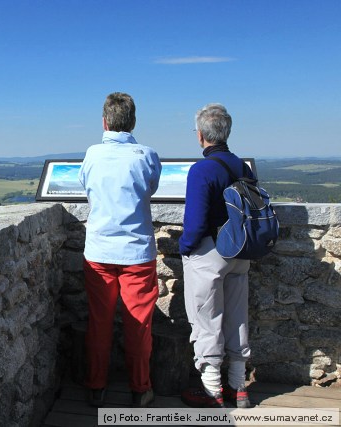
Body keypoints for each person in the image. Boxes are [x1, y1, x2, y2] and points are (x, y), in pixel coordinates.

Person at [78, 92, 162, 408]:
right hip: (137, 252)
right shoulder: (147, 155)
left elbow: (86, 186)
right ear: (133, 121)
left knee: (99, 323)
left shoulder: (91, 154)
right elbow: (150, 188)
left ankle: (96, 386)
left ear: (104, 121)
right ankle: (140, 389)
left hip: (98, 250)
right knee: (138, 325)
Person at [179, 103, 253, 409]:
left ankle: (212, 392)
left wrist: (184, 247)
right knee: (237, 319)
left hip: (210, 253)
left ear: (200, 136)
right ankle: (239, 387)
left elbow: (195, 223)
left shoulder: (202, 170)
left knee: (206, 320)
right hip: (241, 251)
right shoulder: (242, 167)